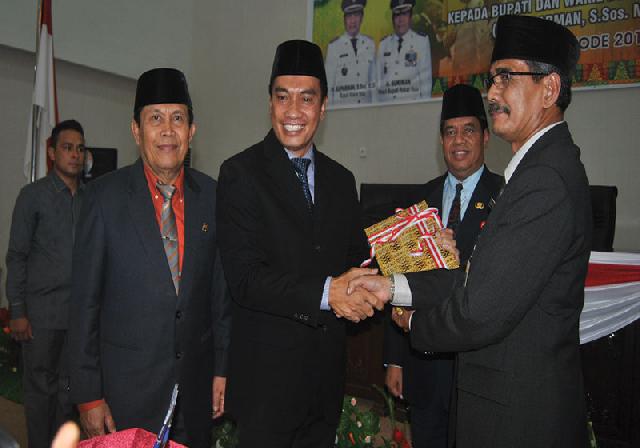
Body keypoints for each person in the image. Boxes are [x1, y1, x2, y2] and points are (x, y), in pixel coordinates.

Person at [350, 15, 592, 447]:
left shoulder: (544, 181)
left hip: (519, 418)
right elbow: (481, 279)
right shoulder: (536, 172)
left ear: (549, 89)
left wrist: (411, 320)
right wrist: (392, 286)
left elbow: (479, 309)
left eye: (506, 77)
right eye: (492, 79)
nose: (493, 92)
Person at [217, 39, 381, 447]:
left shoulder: (341, 180)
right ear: (270, 104)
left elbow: (358, 260)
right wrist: (328, 292)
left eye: (306, 98)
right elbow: (246, 279)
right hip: (266, 388)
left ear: (323, 107)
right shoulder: (240, 174)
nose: (293, 111)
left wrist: (416, 246)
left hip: (324, 384)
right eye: (282, 97)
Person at [67, 68, 230, 448]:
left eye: (178, 118)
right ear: (136, 131)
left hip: (195, 392)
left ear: (192, 131)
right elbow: (84, 305)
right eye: (155, 118)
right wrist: (89, 397)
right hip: (125, 397)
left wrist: (222, 369)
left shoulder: (213, 197)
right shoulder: (102, 199)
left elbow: (220, 296)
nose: (168, 131)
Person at [383, 84, 502, 448]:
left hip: (479, 364)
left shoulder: (506, 197)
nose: (459, 140)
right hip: (424, 363)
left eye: (469, 130)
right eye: (450, 132)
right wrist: (395, 360)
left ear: (485, 136)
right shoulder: (419, 202)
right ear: (441, 141)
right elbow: (398, 282)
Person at [6, 119, 86, 448]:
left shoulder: (91, 198)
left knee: (70, 393)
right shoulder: (33, 196)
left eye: (80, 149)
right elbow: (17, 256)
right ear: (52, 153)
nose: (75, 155)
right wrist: (17, 311)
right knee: (41, 394)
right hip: (41, 316)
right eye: (67, 148)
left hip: (79, 317)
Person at [377, 0, 432, 102]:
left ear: (410, 17)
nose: (400, 20)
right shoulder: (383, 44)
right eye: (397, 15)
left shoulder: (421, 41)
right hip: (388, 106)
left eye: (404, 14)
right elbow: (378, 81)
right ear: (392, 19)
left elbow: (426, 82)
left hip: (411, 106)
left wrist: (424, 109)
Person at [325, 0, 376, 105]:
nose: (353, 21)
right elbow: (329, 86)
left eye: (356, 15)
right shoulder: (334, 46)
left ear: (362, 18)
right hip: (343, 109)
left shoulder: (370, 44)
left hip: (366, 108)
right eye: (349, 16)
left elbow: (374, 82)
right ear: (344, 19)